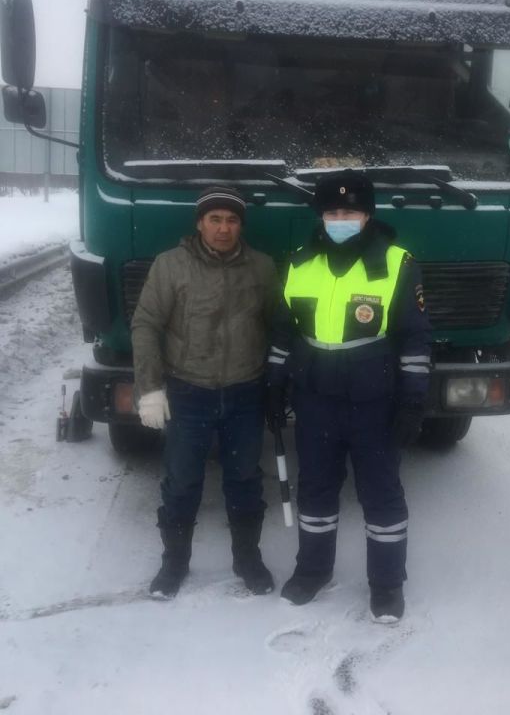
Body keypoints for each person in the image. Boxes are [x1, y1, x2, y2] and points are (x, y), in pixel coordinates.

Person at [266, 172, 432, 622]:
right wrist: (275, 380)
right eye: (333, 212)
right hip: (315, 398)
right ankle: (312, 572)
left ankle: (387, 586)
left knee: (381, 496)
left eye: (351, 212)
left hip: (374, 402)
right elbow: (284, 332)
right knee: (316, 490)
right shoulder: (299, 263)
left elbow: (415, 343)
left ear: (368, 215)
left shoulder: (397, 263)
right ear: (321, 217)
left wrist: (413, 403)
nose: (341, 219)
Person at [131, 185, 279, 599]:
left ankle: (247, 558)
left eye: (232, 220)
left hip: (245, 392)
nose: (223, 228)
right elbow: (146, 325)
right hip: (187, 392)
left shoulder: (262, 269)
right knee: (181, 482)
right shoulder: (170, 266)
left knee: (246, 480)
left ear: (240, 226)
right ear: (199, 223)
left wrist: (278, 383)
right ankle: (174, 564)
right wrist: (150, 389)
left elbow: (277, 329)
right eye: (215, 219)